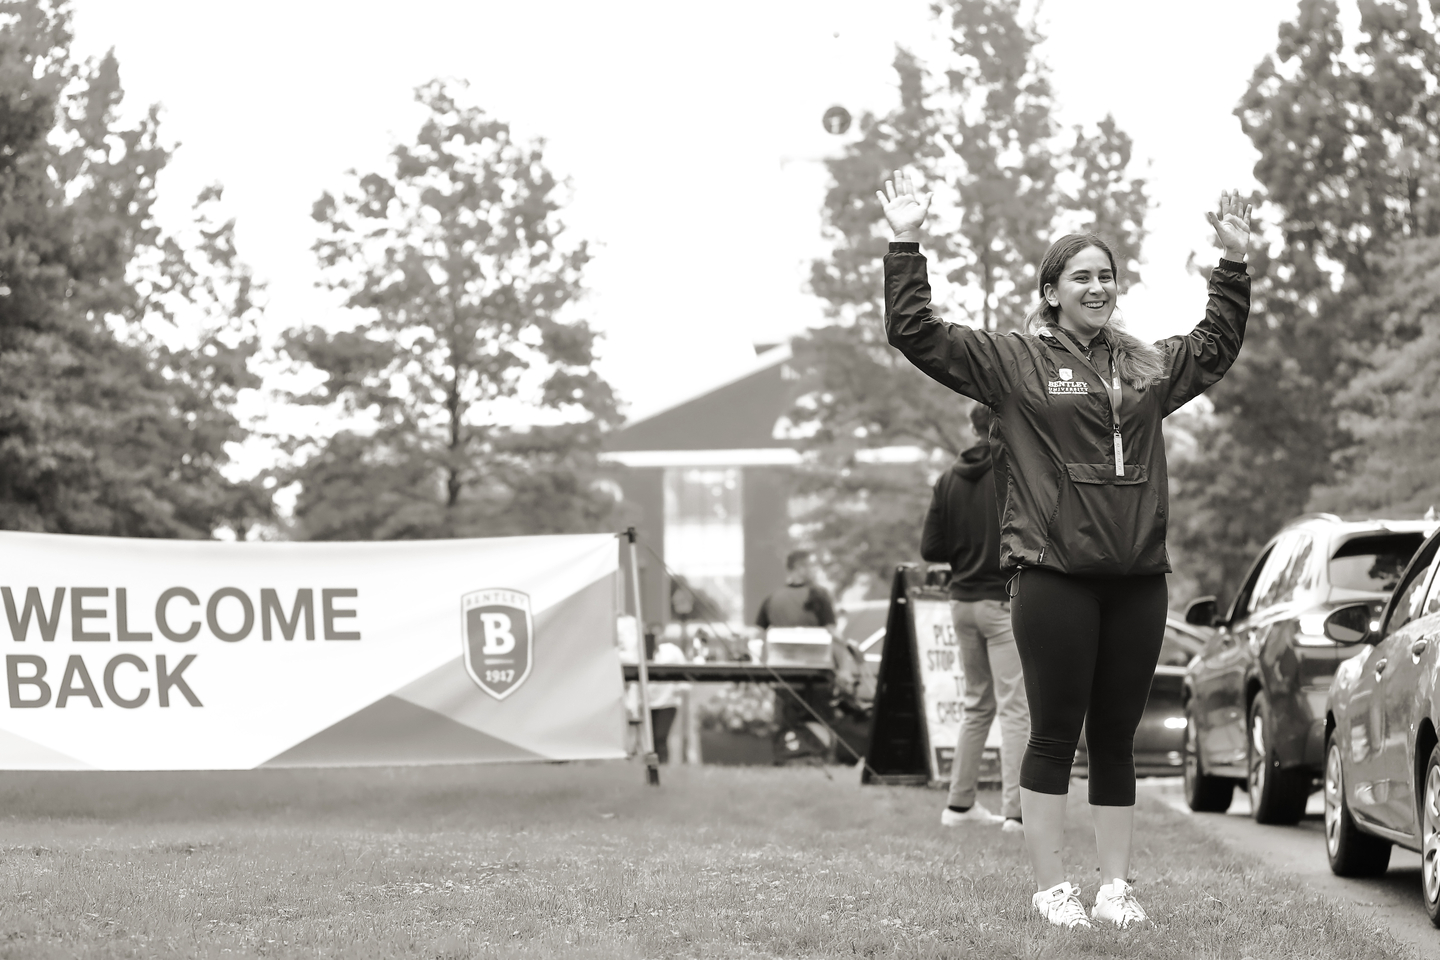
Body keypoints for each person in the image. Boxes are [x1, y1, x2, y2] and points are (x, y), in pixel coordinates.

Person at [878, 170, 1251, 930]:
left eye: (1107, 275)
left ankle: (1114, 887)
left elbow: (1212, 349)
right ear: (1051, 291)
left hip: (1139, 577)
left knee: (1115, 737)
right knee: (1052, 733)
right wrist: (906, 242)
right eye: (1082, 276)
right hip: (1052, 577)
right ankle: (1053, 887)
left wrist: (1235, 264)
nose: (1098, 286)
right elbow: (917, 334)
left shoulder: (1144, 366)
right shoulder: (1014, 362)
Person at [922, 402, 1028, 833]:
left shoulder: (948, 478)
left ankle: (960, 805)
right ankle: (1016, 814)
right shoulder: (1012, 470)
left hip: (961, 601)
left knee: (977, 704)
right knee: (1015, 708)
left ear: (972, 427)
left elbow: (931, 549)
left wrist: (964, 550)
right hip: (1001, 602)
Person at [755, 549, 855, 763]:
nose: (813, 570)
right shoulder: (818, 595)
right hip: (816, 676)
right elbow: (832, 634)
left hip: (783, 678)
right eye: (810, 565)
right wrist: (845, 667)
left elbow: (759, 637)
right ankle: (819, 756)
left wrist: (762, 671)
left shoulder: (772, 599)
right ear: (799, 567)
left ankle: (787, 757)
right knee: (820, 719)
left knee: (785, 722)